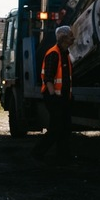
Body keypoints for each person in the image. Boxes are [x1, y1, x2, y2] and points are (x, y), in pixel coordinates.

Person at [32, 25, 74, 163]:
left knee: (65, 127)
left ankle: (63, 156)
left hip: (63, 98)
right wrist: (53, 96)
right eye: (70, 35)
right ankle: (37, 153)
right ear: (63, 38)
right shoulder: (53, 53)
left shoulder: (65, 54)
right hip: (54, 98)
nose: (73, 38)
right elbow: (48, 77)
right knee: (56, 128)